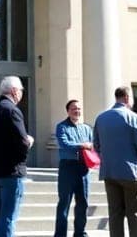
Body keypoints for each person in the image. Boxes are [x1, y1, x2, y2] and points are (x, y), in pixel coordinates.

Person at [93, 86, 137, 237]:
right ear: (126, 97)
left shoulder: (101, 118)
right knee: (135, 215)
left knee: (115, 214)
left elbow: (96, 145)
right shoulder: (133, 118)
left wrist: (108, 158)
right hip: (132, 172)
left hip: (110, 172)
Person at [0, 75, 34, 237]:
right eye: (21, 91)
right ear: (14, 91)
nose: (21, 94)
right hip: (11, 172)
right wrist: (29, 141)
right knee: (8, 216)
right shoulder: (12, 111)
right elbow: (22, 142)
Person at [54, 99, 94, 237]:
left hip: (83, 168)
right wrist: (82, 145)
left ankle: (80, 233)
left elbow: (93, 145)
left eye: (78, 108)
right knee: (64, 202)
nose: (76, 111)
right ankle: (60, 234)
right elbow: (64, 144)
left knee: (83, 202)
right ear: (68, 111)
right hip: (68, 167)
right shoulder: (62, 127)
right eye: (73, 109)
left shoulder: (87, 128)